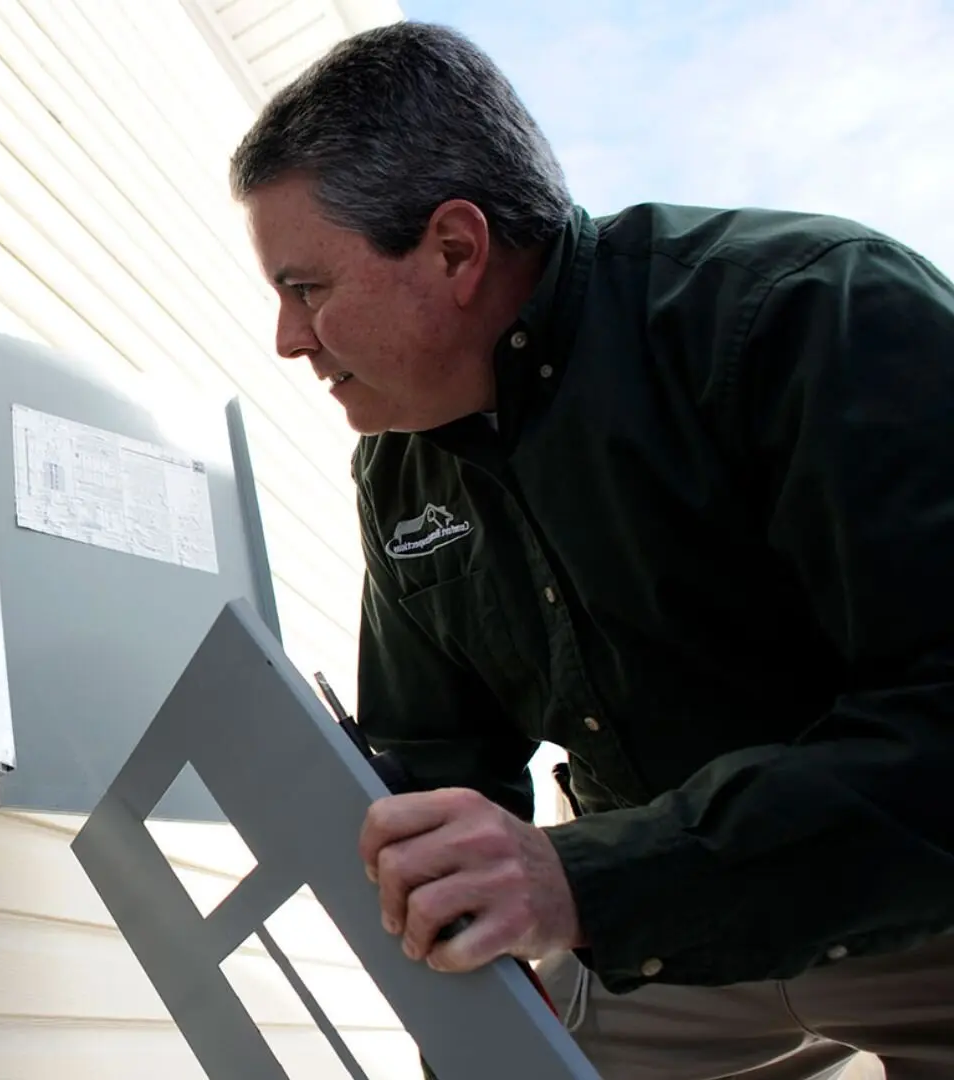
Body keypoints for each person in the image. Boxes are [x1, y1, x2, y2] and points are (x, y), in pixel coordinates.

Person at [228, 21, 954, 1080]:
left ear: (455, 249)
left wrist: (582, 883)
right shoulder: (400, 468)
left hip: (914, 895)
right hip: (652, 939)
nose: (289, 340)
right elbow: (437, 766)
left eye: (306, 290)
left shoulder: (812, 316)